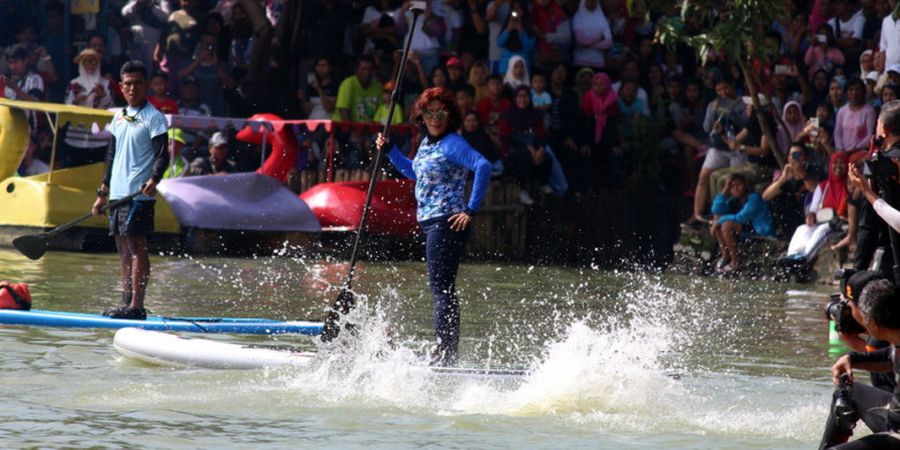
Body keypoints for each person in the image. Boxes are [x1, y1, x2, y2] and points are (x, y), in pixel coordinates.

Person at [377, 87, 491, 365]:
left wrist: (470, 209)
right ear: (422, 117)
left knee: (442, 288)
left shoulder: (452, 143)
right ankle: (446, 350)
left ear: (450, 116)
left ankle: (446, 353)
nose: (435, 118)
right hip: (431, 224)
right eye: (430, 113)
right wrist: (390, 150)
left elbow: (483, 165)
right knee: (440, 287)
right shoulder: (428, 144)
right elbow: (414, 171)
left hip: (446, 222)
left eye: (441, 112)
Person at [92, 61, 169, 320]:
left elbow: (162, 156)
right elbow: (111, 155)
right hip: (117, 194)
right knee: (122, 250)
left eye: (137, 83)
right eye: (128, 84)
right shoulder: (118, 116)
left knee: (137, 248)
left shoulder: (154, 118)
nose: (132, 88)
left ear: (145, 85)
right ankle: (125, 303)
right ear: (121, 88)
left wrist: (154, 179)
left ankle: (137, 307)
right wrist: (102, 192)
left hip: (139, 195)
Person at [819, 277, 900, 449]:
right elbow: (890, 357)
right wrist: (852, 359)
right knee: (847, 392)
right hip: (893, 415)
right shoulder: (896, 339)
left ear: (873, 322)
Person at [709, 173, 775, 272]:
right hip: (747, 229)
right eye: (732, 187)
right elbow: (716, 210)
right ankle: (726, 255)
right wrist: (725, 190)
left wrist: (719, 221)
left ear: (745, 185)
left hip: (760, 230)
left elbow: (742, 218)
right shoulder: (733, 200)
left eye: (739, 184)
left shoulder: (754, 198)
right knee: (716, 221)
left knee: (726, 225)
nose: (736, 188)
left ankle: (736, 261)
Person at [333, 56, 382, 123]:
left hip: (369, 129)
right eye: (363, 69)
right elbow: (343, 110)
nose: (367, 73)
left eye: (370, 69)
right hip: (344, 127)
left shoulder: (378, 87)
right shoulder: (348, 84)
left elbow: (381, 111)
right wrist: (351, 130)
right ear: (356, 70)